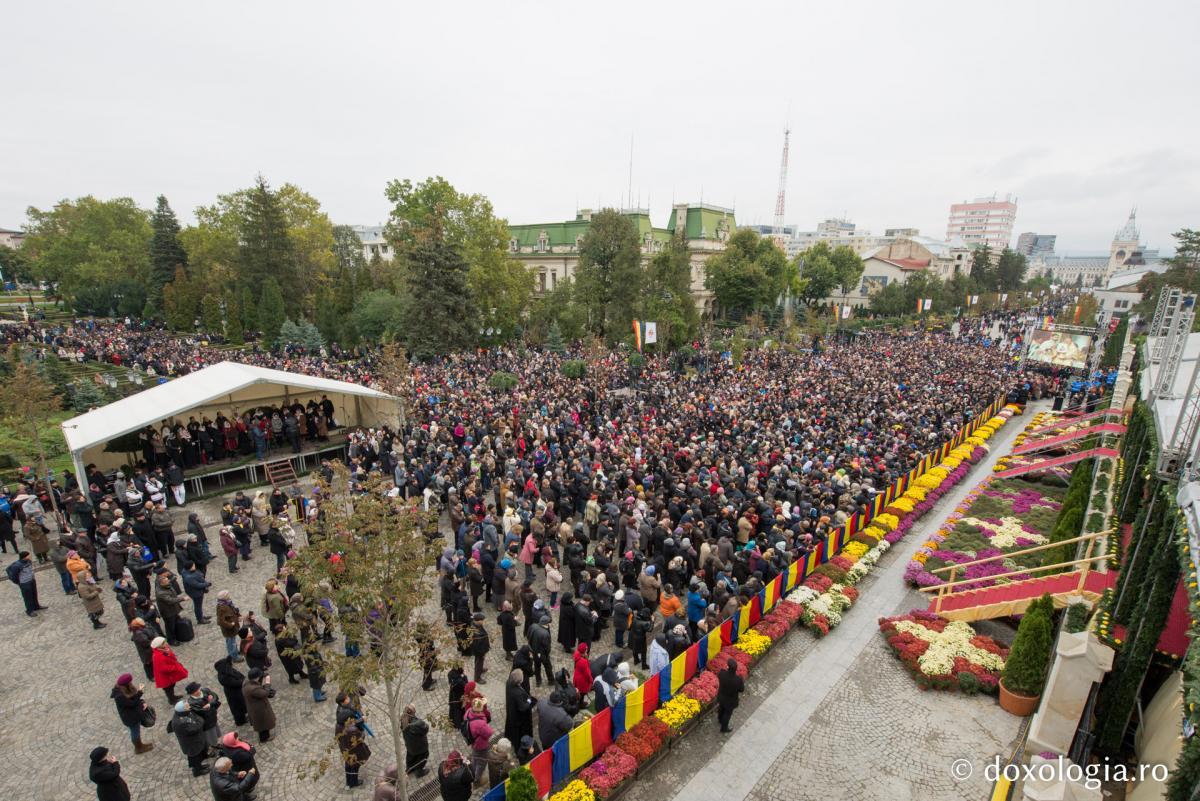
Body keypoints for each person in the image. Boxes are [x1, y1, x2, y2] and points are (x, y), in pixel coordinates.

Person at [110, 673, 155, 754]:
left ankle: (140, 745)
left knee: (136, 731)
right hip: (130, 718)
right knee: (135, 732)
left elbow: (134, 700)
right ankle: (138, 748)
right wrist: (140, 692)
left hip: (134, 715)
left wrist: (142, 702)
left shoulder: (124, 690)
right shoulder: (119, 696)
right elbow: (132, 703)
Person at [169, 699, 209, 776]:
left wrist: (198, 722)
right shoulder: (179, 723)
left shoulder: (184, 713)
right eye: (187, 707)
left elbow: (197, 719)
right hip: (190, 744)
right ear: (183, 710)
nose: (190, 707)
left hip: (195, 741)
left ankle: (200, 766)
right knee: (195, 758)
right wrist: (199, 722)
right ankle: (197, 771)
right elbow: (195, 728)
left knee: (199, 755)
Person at [463, 697, 493, 785]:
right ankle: (477, 779)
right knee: (482, 762)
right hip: (481, 745)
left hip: (473, 741)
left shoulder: (468, 712)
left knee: (475, 757)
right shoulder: (480, 723)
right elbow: (489, 733)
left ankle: (473, 768)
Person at [185, 680, 223, 748]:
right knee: (211, 735)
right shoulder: (191, 703)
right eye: (197, 690)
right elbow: (202, 711)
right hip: (206, 722)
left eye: (198, 688)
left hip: (213, 716)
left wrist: (210, 703)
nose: (199, 690)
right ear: (192, 693)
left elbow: (215, 696)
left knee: (216, 731)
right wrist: (210, 703)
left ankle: (215, 743)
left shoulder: (205, 690)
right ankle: (214, 745)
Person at [7, 550, 46, 616]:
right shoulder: (17, 565)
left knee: (34, 594)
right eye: (29, 555)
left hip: (31, 580)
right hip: (24, 583)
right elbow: (14, 576)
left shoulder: (29, 561)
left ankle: (36, 606)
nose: (30, 556)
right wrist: (18, 582)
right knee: (28, 597)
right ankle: (29, 611)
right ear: (24, 557)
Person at [337, 715, 372, 788]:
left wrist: (360, 720)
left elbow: (353, 725)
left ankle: (348, 781)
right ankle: (354, 782)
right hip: (354, 752)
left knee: (348, 765)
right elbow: (361, 738)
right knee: (355, 766)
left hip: (345, 749)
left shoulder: (338, 726)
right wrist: (362, 731)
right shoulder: (352, 730)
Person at [213, 655, 249, 726]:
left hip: (238, 691)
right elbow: (234, 683)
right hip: (233, 694)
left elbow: (239, 674)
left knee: (242, 704)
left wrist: (243, 679)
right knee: (237, 707)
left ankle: (243, 716)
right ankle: (240, 721)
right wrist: (243, 681)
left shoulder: (228, 670)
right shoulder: (223, 677)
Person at [242, 668, 276, 742]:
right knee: (263, 723)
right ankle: (264, 738)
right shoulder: (253, 689)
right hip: (259, 708)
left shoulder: (247, 682)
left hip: (254, 706)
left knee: (261, 723)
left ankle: (264, 736)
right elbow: (265, 693)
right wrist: (267, 683)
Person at [151, 637, 189, 703]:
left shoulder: (165, 649)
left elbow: (173, 657)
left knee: (172, 686)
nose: (166, 643)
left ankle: (173, 697)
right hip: (165, 678)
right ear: (159, 645)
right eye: (164, 643)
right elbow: (163, 668)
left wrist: (169, 654)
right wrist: (174, 667)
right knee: (168, 689)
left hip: (170, 676)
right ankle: (172, 700)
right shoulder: (157, 656)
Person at [504, 668, 536, 744]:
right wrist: (529, 701)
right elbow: (523, 708)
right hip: (518, 717)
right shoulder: (518, 693)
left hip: (511, 709)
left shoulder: (508, 683)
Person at [400, 705, 430, 777]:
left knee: (410, 757)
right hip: (420, 747)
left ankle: (409, 769)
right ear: (413, 712)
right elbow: (426, 728)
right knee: (423, 757)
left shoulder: (403, 720)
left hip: (409, 746)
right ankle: (419, 771)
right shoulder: (418, 724)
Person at [716, 661, 745, 734]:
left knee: (721, 708)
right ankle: (724, 728)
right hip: (731, 701)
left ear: (728, 667)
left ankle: (719, 719)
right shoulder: (738, 680)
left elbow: (719, 676)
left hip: (721, 697)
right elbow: (741, 690)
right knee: (727, 714)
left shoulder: (722, 674)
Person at [215, 591, 243, 661]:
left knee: (233, 642)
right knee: (231, 643)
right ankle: (234, 657)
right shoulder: (221, 608)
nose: (229, 595)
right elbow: (220, 621)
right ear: (224, 597)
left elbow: (234, 611)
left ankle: (235, 652)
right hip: (229, 630)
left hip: (233, 628)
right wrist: (231, 625)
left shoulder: (228, 602)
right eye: (227, 595)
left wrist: (238, 616)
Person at [467, 611, 490, 684]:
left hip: (482, 649)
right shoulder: (476, 632)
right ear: (477, 621)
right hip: (479, 651)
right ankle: (477, 677)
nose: (483, 621)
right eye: (482, 620)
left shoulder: (477, 625)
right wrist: (482, 652)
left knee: (480, 661)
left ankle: (480, 669)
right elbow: (477, 645)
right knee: (478, 662)